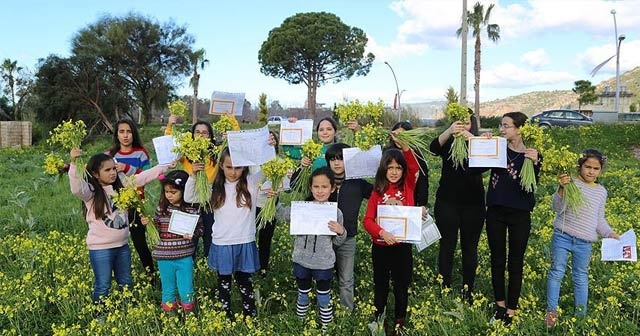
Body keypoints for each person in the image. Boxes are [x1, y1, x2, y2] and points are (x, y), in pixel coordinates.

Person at [68, 149, 170, 319]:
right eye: (107, 170)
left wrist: (164, 166)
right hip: (100, 249)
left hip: (122, 246)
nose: (113, 173)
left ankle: (126, 313)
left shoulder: (122, 186)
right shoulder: (91, 192)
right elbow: (77, 188)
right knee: (103, 285)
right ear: (95, 173)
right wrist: (73, 163)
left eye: (114, 169)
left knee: (126, 282)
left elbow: (142, 177)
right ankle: (99, 317)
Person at [184, 140, 274, 319]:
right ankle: (226, 316)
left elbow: (268, 168)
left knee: (244, 282)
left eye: (238, 168)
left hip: (244, 241)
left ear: (245, 168)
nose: (233, 172)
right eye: (229, 167)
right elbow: (189, 196)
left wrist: (268, 146)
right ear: (221, 166)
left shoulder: (251, 183)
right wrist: (193, 176)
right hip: (222, 242)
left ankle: (250, 315)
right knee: (223, 283)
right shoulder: (213, 188)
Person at [545, 149, 620, 328]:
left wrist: (610, 233)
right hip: (562, 236)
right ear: (580, 166)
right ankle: (551, 312)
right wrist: (561, 188)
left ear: (601, 170)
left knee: (581, 277)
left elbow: (599, 219)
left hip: (584, 242)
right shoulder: (571, 183)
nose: (591, 171)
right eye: (587, 167)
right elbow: (556, 207)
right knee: (556, 272)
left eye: (596, 168)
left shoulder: (602, 192)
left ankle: (580, 316)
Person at [481, 112, 542, 326]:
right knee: (497, 259)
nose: (502, 129)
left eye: (506, 126)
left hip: (520, 214)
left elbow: (532, 184)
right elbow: (478, 166)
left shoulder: (533, 153)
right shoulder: (498, 147)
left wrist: (535, 163)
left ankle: (511, 309)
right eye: (501, 125)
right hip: (496, 212)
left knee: (516, 261)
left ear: (519, 129)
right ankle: (499, 305)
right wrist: (484, 144)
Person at [362, 135, 420, 335]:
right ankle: (380, 320)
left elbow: (414, 167)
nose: (394, 172)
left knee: (401, 285)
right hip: (381, 247)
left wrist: (405, 147)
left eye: (398, 168)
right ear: (383, 170)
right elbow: (367, 220)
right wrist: (381, 232)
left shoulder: (408, 186)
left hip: (403, 247)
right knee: (381, 285)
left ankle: (399, 322)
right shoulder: (377, 192)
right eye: (390, 168)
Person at [165, 114, 240, 260]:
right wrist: (170, 126)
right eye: (197, 132)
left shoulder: (216, 152)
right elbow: (169, 144)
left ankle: (209, 261)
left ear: (210, 136)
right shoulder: (186, 152)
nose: (201, 135)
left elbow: (236, 145)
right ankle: (189, 261)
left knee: (209, 232)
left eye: (205, 132)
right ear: (192, 135)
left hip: (209, 199)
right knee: (189, 234)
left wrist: (232, 124)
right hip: (189, 198)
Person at [429, 113, 485, 302]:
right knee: (447, 246)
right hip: (447, 203)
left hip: (474, 205)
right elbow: (433, 148)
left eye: (466, 123)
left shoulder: (479, 143)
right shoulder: (448, 142)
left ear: (473, 125)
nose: (462, 126)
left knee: (470, 248)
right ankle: (444, 287)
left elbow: (489, 163)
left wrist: (473, 140)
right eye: (458, 123)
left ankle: (468, 290)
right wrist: (449, 131)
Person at [290, 166, 346, 326]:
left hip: (323, 263)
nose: (320, 191)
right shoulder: (302, 208)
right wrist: (273, 199)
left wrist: (341, 231)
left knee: (323, 296)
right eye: (316, 186)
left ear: (332, 188)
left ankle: (326, 326)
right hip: (301, 260)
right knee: (302, 293)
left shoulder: (336, 213)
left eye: (324, 187)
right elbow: (284, 214)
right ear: (310, 187)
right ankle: (300, 324)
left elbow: (337, 242)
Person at [147, 170, 203, 316]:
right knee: (168, 289)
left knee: (186, 289)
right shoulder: (162, 208)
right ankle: (171, 320)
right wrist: (148, 223)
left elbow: (200, 229)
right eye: (166, 192)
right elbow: (156, 226)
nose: (169, 195)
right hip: (164, 257)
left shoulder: (192, 209)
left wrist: (192, 234)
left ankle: (190, 318)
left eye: (173, 192)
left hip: (184, 256)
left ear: (184, 191)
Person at [325, 143, 373, 312]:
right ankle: (325, 309)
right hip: (324, 238)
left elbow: (378, 193)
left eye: (341, 159)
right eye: (333, 159)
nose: (337, 163)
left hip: (348, 237)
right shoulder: (323, 180)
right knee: (325, 277)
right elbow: (298, 187)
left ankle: (347, 312)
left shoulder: (357, 182)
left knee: (346, 278)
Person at [107, 119, 155, 277]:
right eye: (121, 132)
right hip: (116, 204)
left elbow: (147, 176)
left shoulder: (141, 153)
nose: (125, 135)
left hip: (136, 203)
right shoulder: (110, 154)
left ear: (133, 133)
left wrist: (127, 168)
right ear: (116, 134)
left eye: (129, 132)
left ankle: (151, 274)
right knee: (116, 241)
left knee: (139, 242)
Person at [255, 130, 282, 274]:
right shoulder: (253, 163)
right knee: (250, 238)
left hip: (270, 207)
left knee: (265, 240)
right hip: (252, 207)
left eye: (271, 141)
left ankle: (263, 269)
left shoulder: (280, 162)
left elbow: (287, 186)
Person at [387, 121, 429, 208]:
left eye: (402, 135)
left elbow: (422, 181)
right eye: (396, 135)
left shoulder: (416, 155)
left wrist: (422, 204)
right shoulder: (387, 154)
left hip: (410, 200)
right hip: (389, 199)